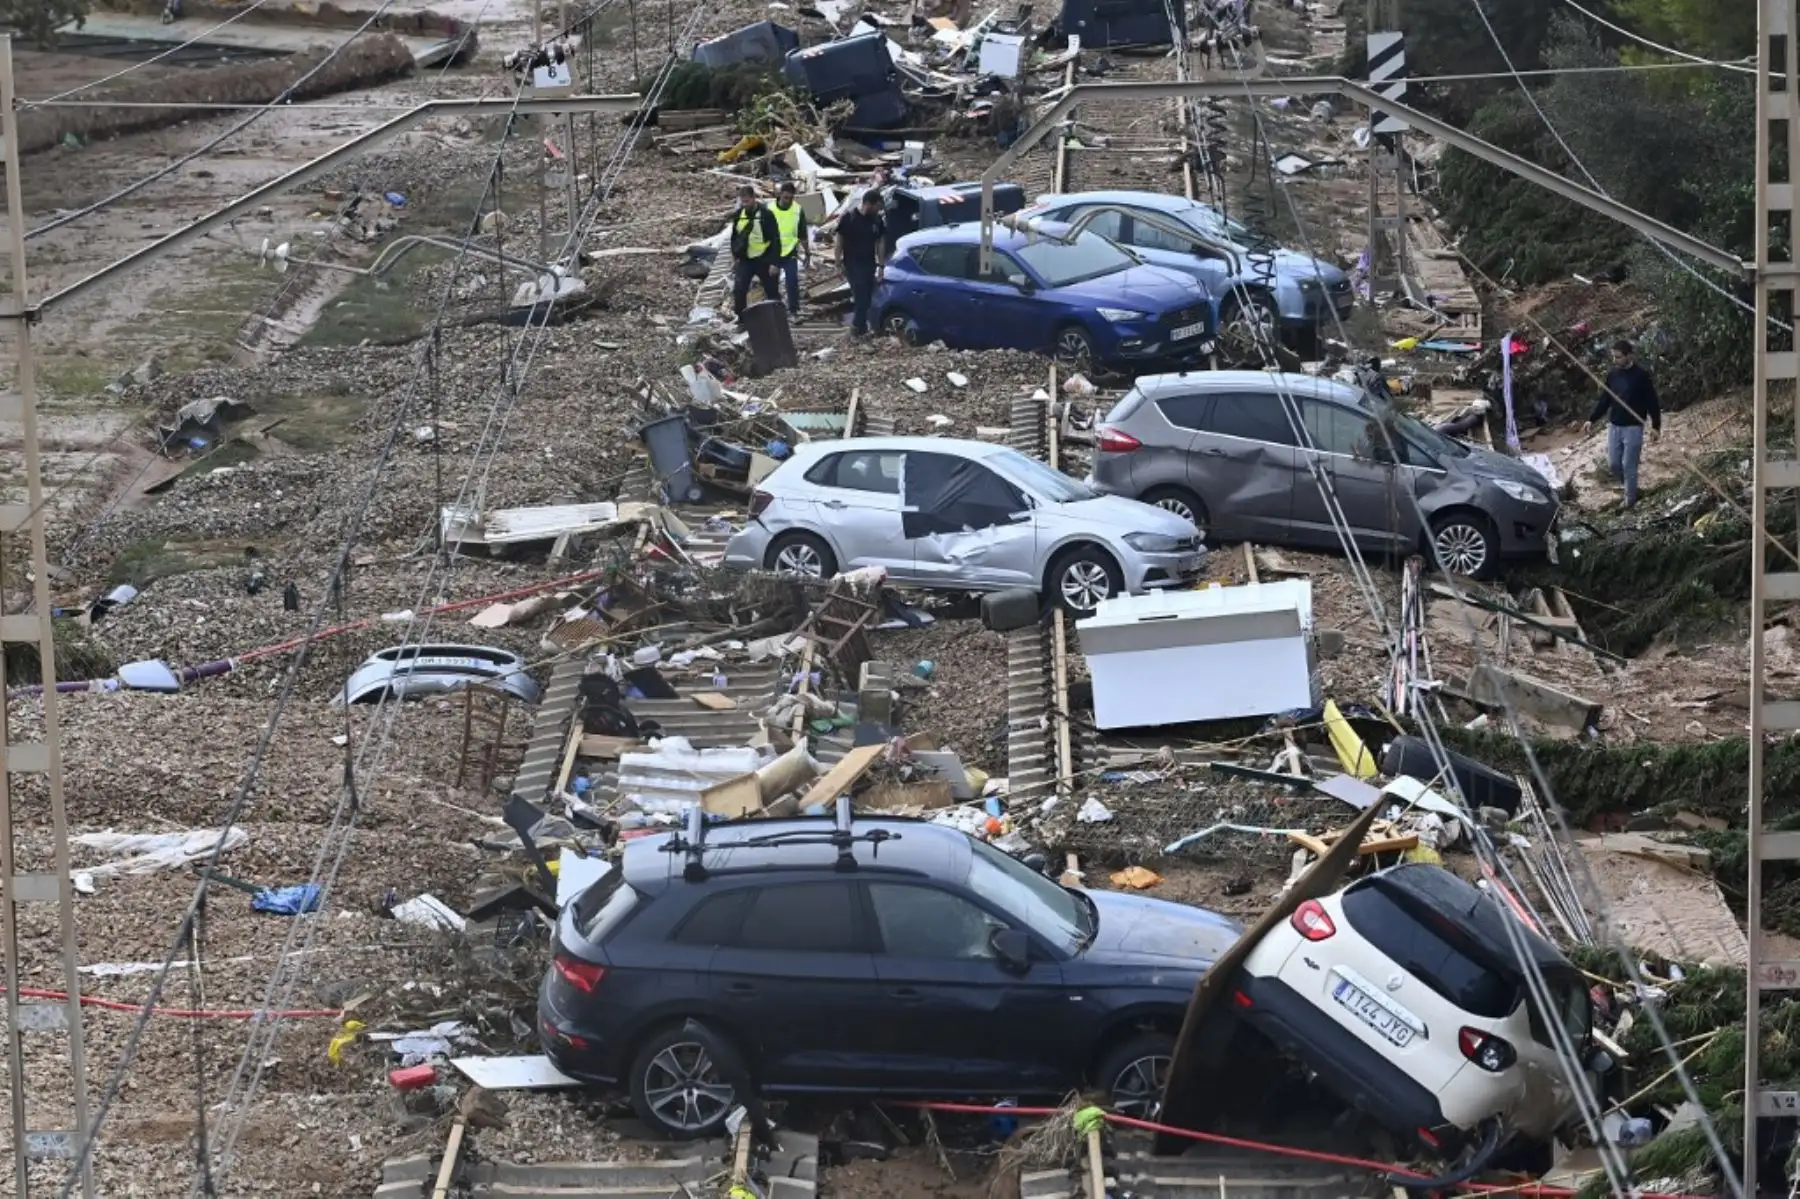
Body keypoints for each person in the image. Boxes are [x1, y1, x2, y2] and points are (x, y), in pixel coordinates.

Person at [1581, 339, 1661, 509]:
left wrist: (1656, 426)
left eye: (1618, 357)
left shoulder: (1641, 376)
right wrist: (1591, 419)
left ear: (1629, 356)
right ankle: (1631, 488)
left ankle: (1630, 501)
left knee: (1628, 465)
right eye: (1614, 357)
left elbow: (1652, 401)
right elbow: (1605, 400)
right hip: (1614, 425)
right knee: (1614, 464)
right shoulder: (1613, 375)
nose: (1615, 360)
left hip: (1633, 426)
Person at [835, 190, 887, 338]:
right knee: (861, 299)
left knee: (867, 299)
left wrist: (881, 266)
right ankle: (857, 330)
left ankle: (862, 328)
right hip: (852, 265)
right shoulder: (849, 218)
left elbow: (880, 242)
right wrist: (837, 264)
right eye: (878, 206)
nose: (879, 210)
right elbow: (839, 241)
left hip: (869, 264)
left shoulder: (876, 220)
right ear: (868, 204)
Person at [729, 185, 780, 318]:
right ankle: (741, 318)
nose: (745, 204)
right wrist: (734, 258)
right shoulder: (739, 215)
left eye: (747, 201)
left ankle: (777, 317)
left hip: (764, 258)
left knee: (772, 290)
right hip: (746, 259)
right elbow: (734, 238)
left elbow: (775, 239)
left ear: (754, 198)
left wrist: (774, 263)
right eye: (743, 202)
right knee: (739, 289)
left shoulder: (766, 214)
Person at [769, 181, 811, 319]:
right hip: (772, 253)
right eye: (786, 197)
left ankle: (794, 310)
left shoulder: (797, 210)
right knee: (772, 282)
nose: (788, 201)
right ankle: (775, 309)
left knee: (792, 280)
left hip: (790, 251)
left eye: (791, 198)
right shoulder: (769, 209)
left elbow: (803, 234)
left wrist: (807, 253)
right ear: (780, 194)